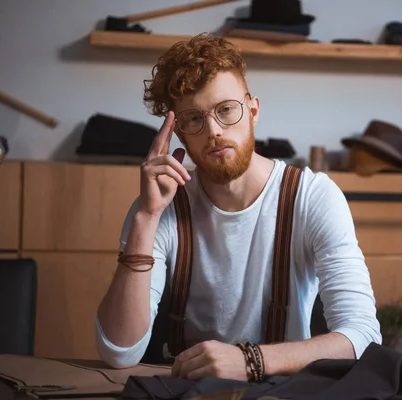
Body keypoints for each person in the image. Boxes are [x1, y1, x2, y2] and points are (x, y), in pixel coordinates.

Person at [95, 33, 381, 381]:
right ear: (180, 134)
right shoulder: (161, 204)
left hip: (286, 392)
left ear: (253, 111)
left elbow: (364, 338)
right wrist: (146, 216)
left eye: (226, 110)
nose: (214, 130)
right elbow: (118, 352)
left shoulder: (312, 196)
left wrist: (251, 360)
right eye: (195, 119)